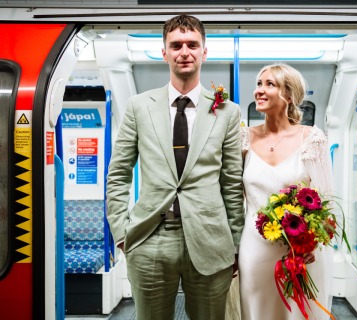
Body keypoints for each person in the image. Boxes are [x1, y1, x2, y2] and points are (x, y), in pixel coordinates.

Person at [106, 14, 244, 320]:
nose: (185, 51)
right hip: (150, 237)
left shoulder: (227, 112)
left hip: (210, 239)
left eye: (193, 44)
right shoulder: (139, 107)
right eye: (176, 45)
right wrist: (121, 231)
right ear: (164, 52)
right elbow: (118, 174)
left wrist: (235, 245)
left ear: (204, 52)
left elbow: (232, 184)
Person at [238, 63, 335, 320]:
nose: (259, 90)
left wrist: (313, 241)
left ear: (289, 95)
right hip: (254, 246)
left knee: (298, 312)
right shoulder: (243, 138)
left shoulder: (312, 138)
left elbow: (326, 198)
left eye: (270, 84)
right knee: (257, 310)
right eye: (259, 83)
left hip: (299, 248)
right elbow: (233, 196)